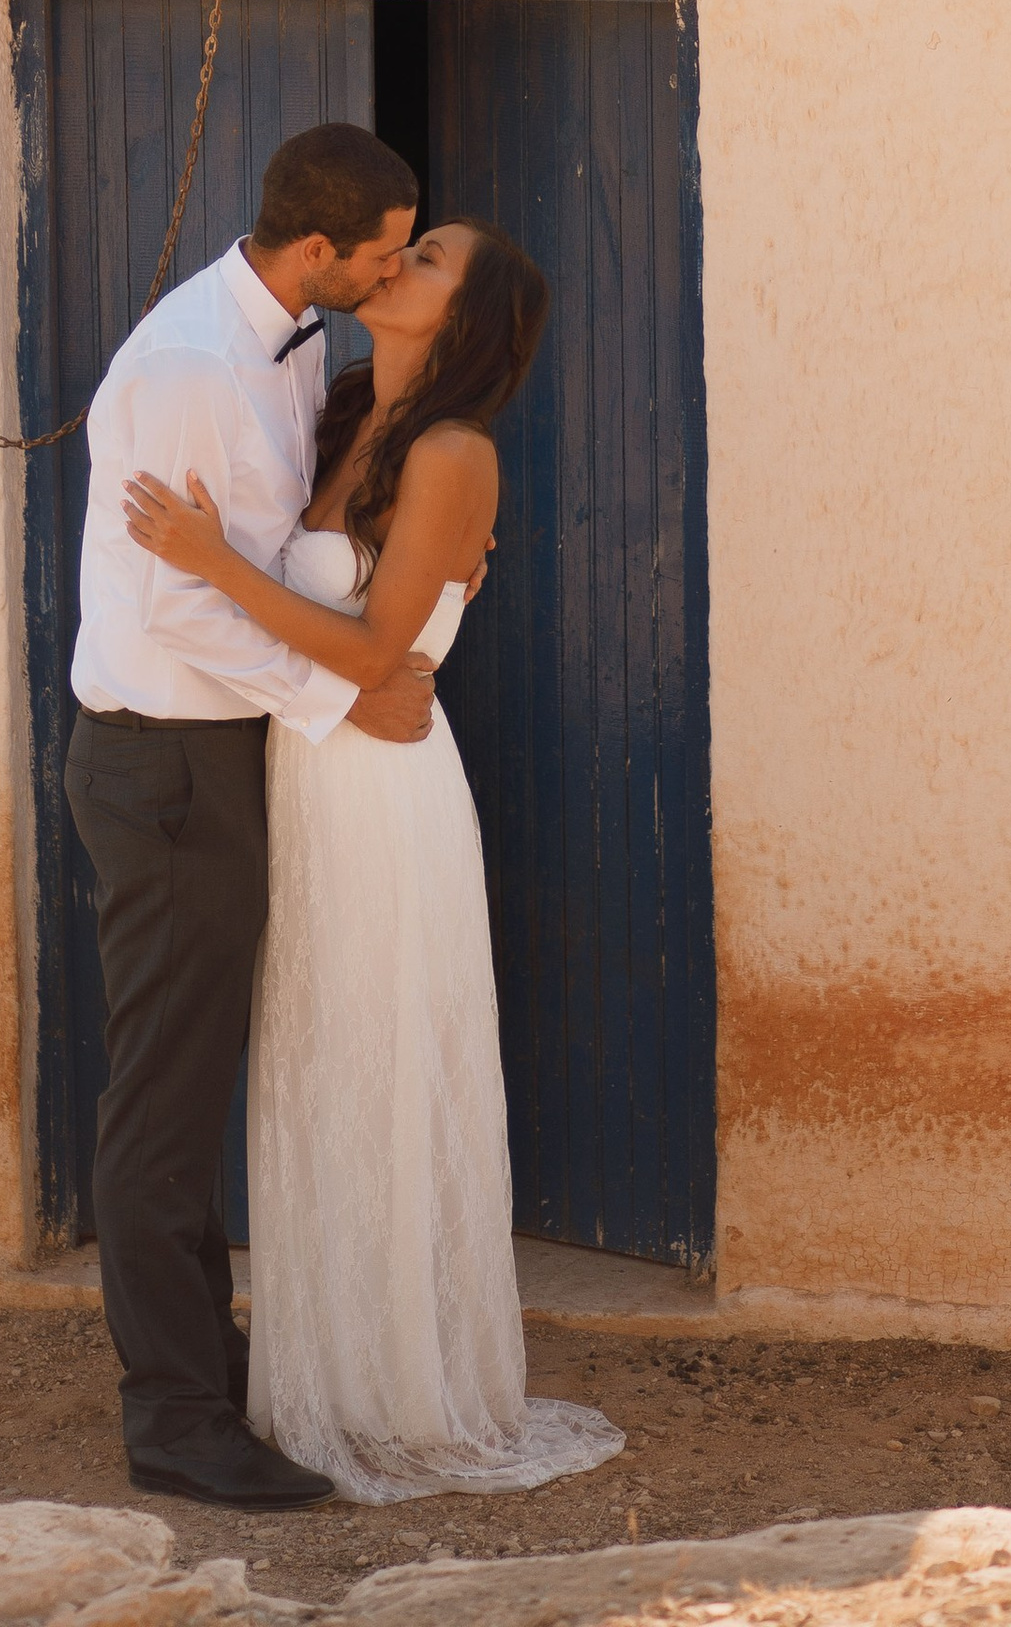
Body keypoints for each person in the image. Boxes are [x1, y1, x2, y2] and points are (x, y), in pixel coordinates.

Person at [123, 219, 625, 1506]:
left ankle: (400, 1385)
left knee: (381, 1067)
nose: (400, 262)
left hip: (380, 788)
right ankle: (321, 1376)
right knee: (313, 1068)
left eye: (435, 256)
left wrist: (209, 563)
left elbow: (370, 654)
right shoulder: (340, 411)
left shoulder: (456, 453)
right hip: (304, 771)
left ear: (466, 319)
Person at [64, 118, 434, 1510]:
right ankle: (174, 1421)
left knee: (196, 1070)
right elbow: (183, 609)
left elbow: (265, 561)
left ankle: (202, 1377)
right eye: (382, 257)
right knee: (163, 1097)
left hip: (215, 756)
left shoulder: (295, 340)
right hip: (163, 757)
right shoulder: (189, 366)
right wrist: (341, 698)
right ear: (317, 247)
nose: (391, 277)